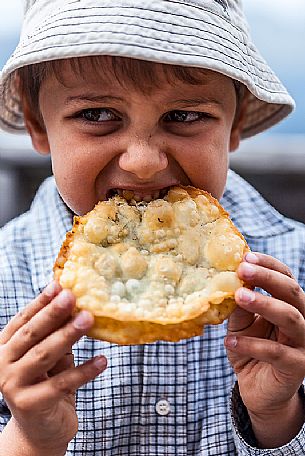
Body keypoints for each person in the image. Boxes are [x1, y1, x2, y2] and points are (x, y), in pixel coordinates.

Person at [0, 0, 304, 454]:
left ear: (234, 123)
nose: (142, 163)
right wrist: (30, 438)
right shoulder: (6, 276)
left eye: (183, 116)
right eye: (98, 115)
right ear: (36, 123)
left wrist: (276, 416)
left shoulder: (295, 275)